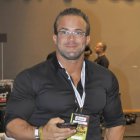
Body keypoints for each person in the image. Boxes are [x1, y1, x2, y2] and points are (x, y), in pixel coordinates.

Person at [5, 8, 125, 140]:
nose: (71, 38)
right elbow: (12, 126)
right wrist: (41, 133)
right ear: (55, 38)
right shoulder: (30, 78)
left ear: (87, 39)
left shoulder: (106, 78)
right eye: (64, 32)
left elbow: (115, 124)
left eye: (78, 32)